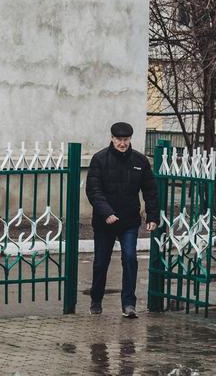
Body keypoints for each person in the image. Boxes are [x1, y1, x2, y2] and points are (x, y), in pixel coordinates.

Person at [85, 121, 159, 318]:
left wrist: (152, 215)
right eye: (119, 139)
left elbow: (150, 190)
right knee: (101, 262)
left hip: (129, 221)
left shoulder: (140, 161)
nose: (123, 143)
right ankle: (96, 300)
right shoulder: (100, 159)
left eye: (126, 140)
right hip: (104, 221)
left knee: (129, 259)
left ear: (130, 140)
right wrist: (106, 212)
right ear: (112, 138)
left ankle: (128, 304)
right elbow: (93, 190)